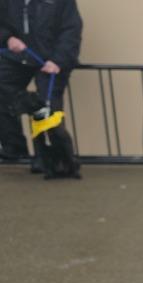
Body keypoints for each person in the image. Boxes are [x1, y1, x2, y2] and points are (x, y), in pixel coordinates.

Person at [0, 0, 82, 163]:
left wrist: (58, 60)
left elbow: (71, 31)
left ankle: (52, 158)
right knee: (2, 92)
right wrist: (7, 38)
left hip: (50, 61)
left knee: (46, 106)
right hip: (17, 57)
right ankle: (14, 149)